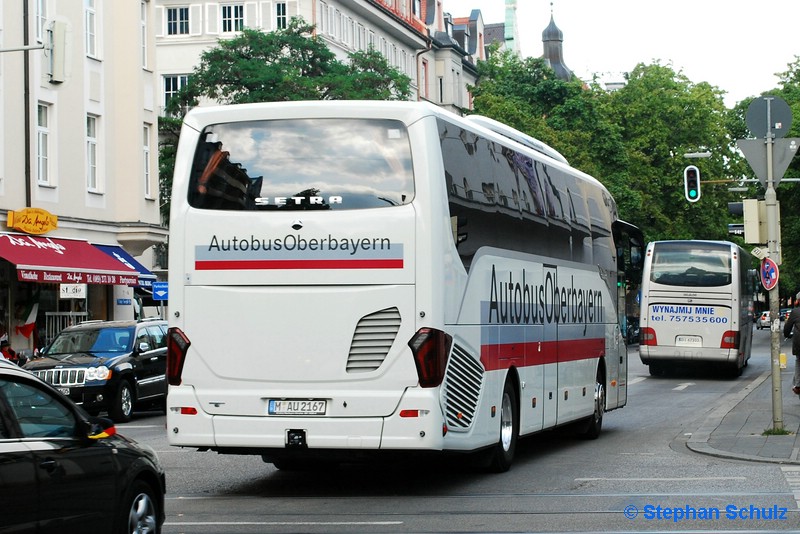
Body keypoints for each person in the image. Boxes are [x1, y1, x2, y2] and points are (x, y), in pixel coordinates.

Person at [783, 299, 800, 395]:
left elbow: (787, 327)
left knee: (798, 360)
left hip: (799, 344)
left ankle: (798, 385)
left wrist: (786, 334)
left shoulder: (795, 312)